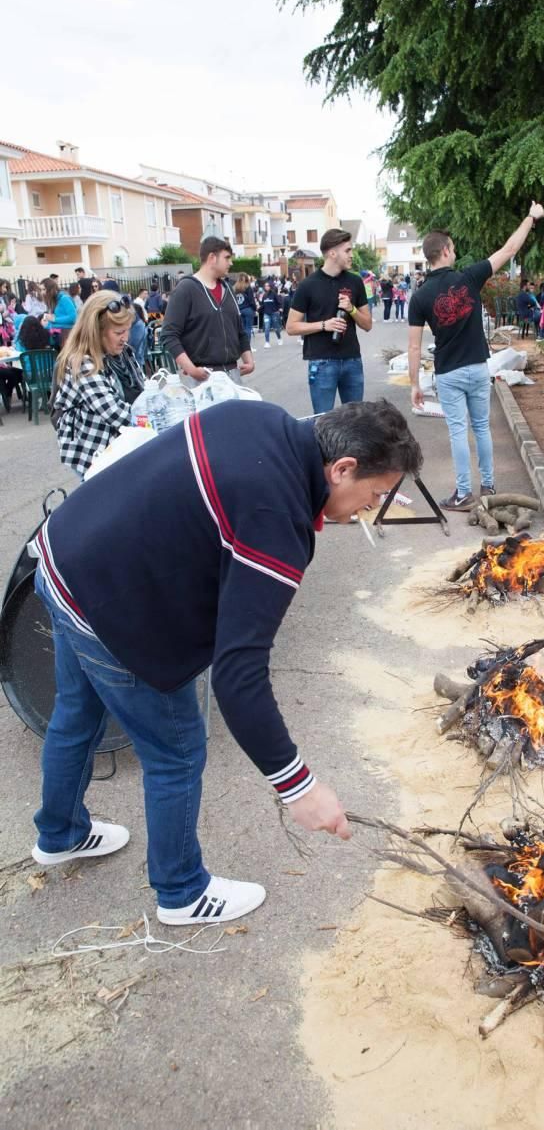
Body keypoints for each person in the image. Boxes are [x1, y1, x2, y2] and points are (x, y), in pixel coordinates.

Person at [28, 398, 422, 925]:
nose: (368, 508)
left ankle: (60, 835)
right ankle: (181, 891)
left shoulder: (257, 419)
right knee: (177, 752)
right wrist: (297, 787)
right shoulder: (276, 517)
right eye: (374, 494)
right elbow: (240, 672)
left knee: (76, 713)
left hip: (61, 555)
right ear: (342, 468)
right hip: (105, 605)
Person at [408, 201, 544, 511]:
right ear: (443, 251)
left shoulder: (419, 297)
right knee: (481, 427)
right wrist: (530, 217)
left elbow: (414, 347)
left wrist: (415, 384)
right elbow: (509, 249)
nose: (455, 252)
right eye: (452, 248)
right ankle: (488, 485)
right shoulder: (469, 277)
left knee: (458, 431)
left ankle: (463, 493)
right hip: (477, 367)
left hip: (449, 372)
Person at [51, 292, 145, 478]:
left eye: (127, 330)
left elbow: (143, 389)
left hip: (119, 445)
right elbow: (113, 413)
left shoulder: (123, 352)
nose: (125, 338)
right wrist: (154, 421)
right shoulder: (83, 362)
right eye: (119, 332)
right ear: (97, 331)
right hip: (92, 450)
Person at [286, 228, 372, 413]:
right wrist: (324, 325)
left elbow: (367, 324)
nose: (351, 255)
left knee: (357, 422)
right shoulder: (308, 285)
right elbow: (291, 327)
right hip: (322, 362)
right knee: (323, 422)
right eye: (347, 250)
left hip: (352, 360)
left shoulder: (355, 282)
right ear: (332, 253)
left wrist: (352, 309)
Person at [160, 237, 254, 386]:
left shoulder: (228, 289)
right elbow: (169, 334)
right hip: (203, 378)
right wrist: (191, 369)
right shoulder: (186, 289)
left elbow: (239, 329)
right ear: (212, 257)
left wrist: (249, 360)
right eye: (227, 258)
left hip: (232, 375)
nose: (231, 263)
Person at [42, 278, 77, 348]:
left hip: (67, 336)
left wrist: (54, 319)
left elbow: (73, 317)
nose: (42, 292)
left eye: (44, 289)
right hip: (57, 336)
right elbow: (54, 320)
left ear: (50, 289)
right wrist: (47, 324)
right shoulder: (53, 301)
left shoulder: (64, 298)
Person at [234, 273, 258, 344]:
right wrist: (254, 309)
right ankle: (247, 347)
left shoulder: (235, 288)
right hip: (248, 309)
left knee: (242, 329)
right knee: (248, 328)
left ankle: (243, 347)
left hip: (239, 310)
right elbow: (251, 300)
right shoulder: (248, 287)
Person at [259, 280, 282, 347]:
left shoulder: (274, 294)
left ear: (270, 286)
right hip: (266, 314)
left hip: (274, 313)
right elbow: (263, 304)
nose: (266, 287)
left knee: (276, 328)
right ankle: (267, 342)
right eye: (265, 286)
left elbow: (279, 302)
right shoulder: (264, 295)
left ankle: (279, 338)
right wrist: (259, 308)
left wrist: (280, 308)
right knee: (267, 327)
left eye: (267, 286)